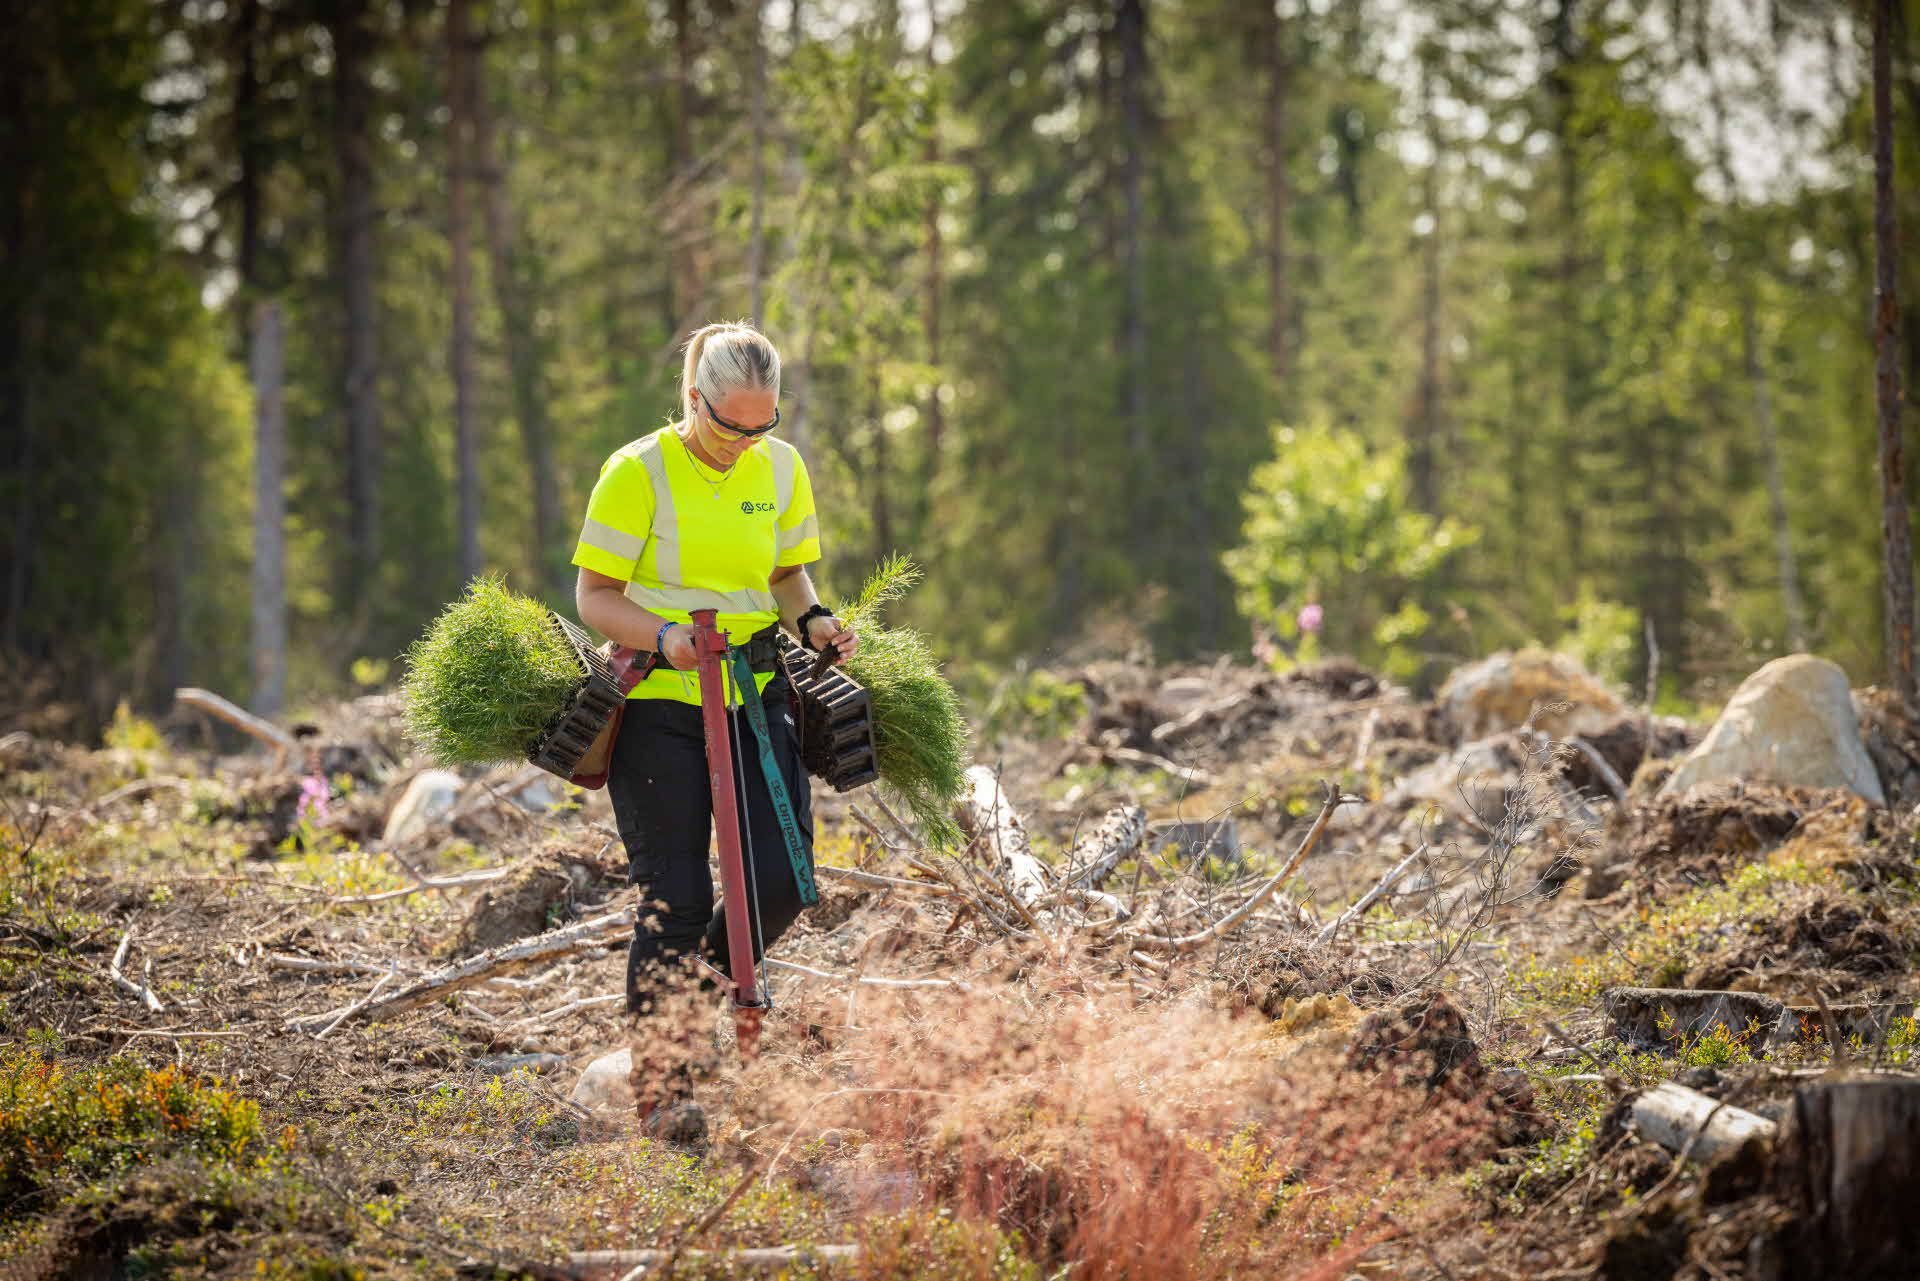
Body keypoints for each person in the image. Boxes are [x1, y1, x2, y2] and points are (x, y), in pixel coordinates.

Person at [571, 322, 856, 1126]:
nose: (745, 442)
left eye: (763, 425)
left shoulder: (781, 467)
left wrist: (815, 620)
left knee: (784, 880)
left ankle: (682, 1007)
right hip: (660, 706)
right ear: (695, 399)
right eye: (731, 425)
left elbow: (786, 573)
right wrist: (665, 636)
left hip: (755, 700)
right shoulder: (637, 472)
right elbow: (595, 596)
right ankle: (665, 1091)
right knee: (678, 894)